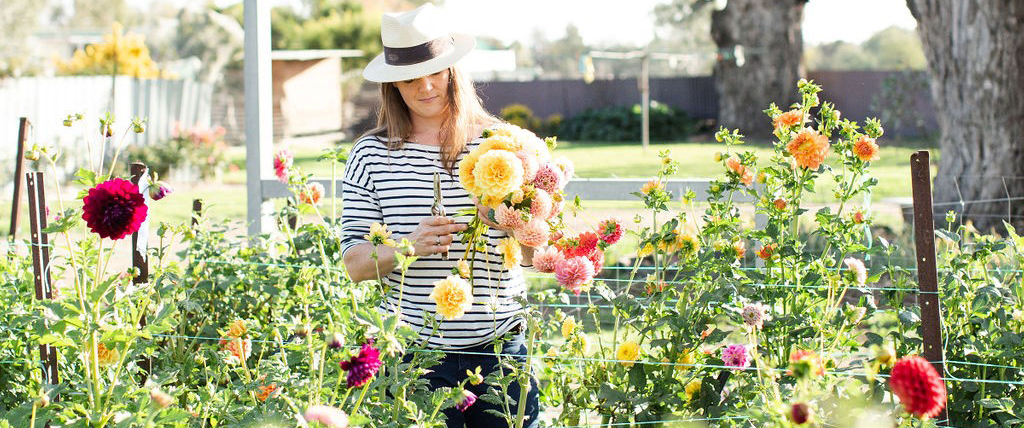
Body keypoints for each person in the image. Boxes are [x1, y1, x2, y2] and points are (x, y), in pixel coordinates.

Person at [339, 4, 539, 427]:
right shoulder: (370, 155)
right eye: (410, 78)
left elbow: (534, 255)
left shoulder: (503, 144)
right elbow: (355, 264)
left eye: (435, 71)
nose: (425, 86)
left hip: (501, 351)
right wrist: (407, 247)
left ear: (453, 71)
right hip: (415, 358)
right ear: (393, 83)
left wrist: (512, 221)